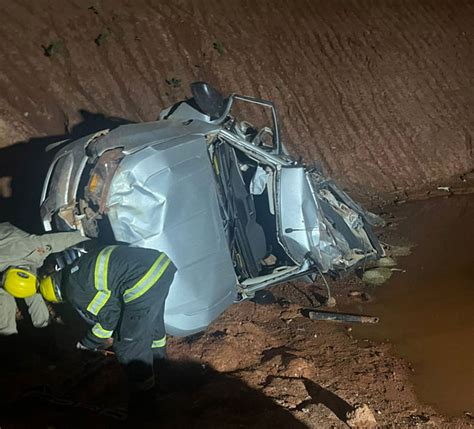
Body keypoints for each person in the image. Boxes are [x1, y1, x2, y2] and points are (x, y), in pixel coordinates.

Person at [39, 244, 176, 406]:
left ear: (58, 295)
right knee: (153, 326)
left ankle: (145, 400)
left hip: (142, 280)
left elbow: (108, 321)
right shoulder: (78, 267)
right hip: (160, 265)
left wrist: (86, 344)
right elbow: (112, 305)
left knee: (128, 345)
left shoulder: (73, 289)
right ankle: (161, 370)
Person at [0, 222, 88, 335]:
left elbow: (55, 241)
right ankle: (9, 339)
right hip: (9, 258)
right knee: (4, 302)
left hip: (9, 240)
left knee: (31, 291)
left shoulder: (28, 247)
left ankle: (45, 329)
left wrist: (85, 239)